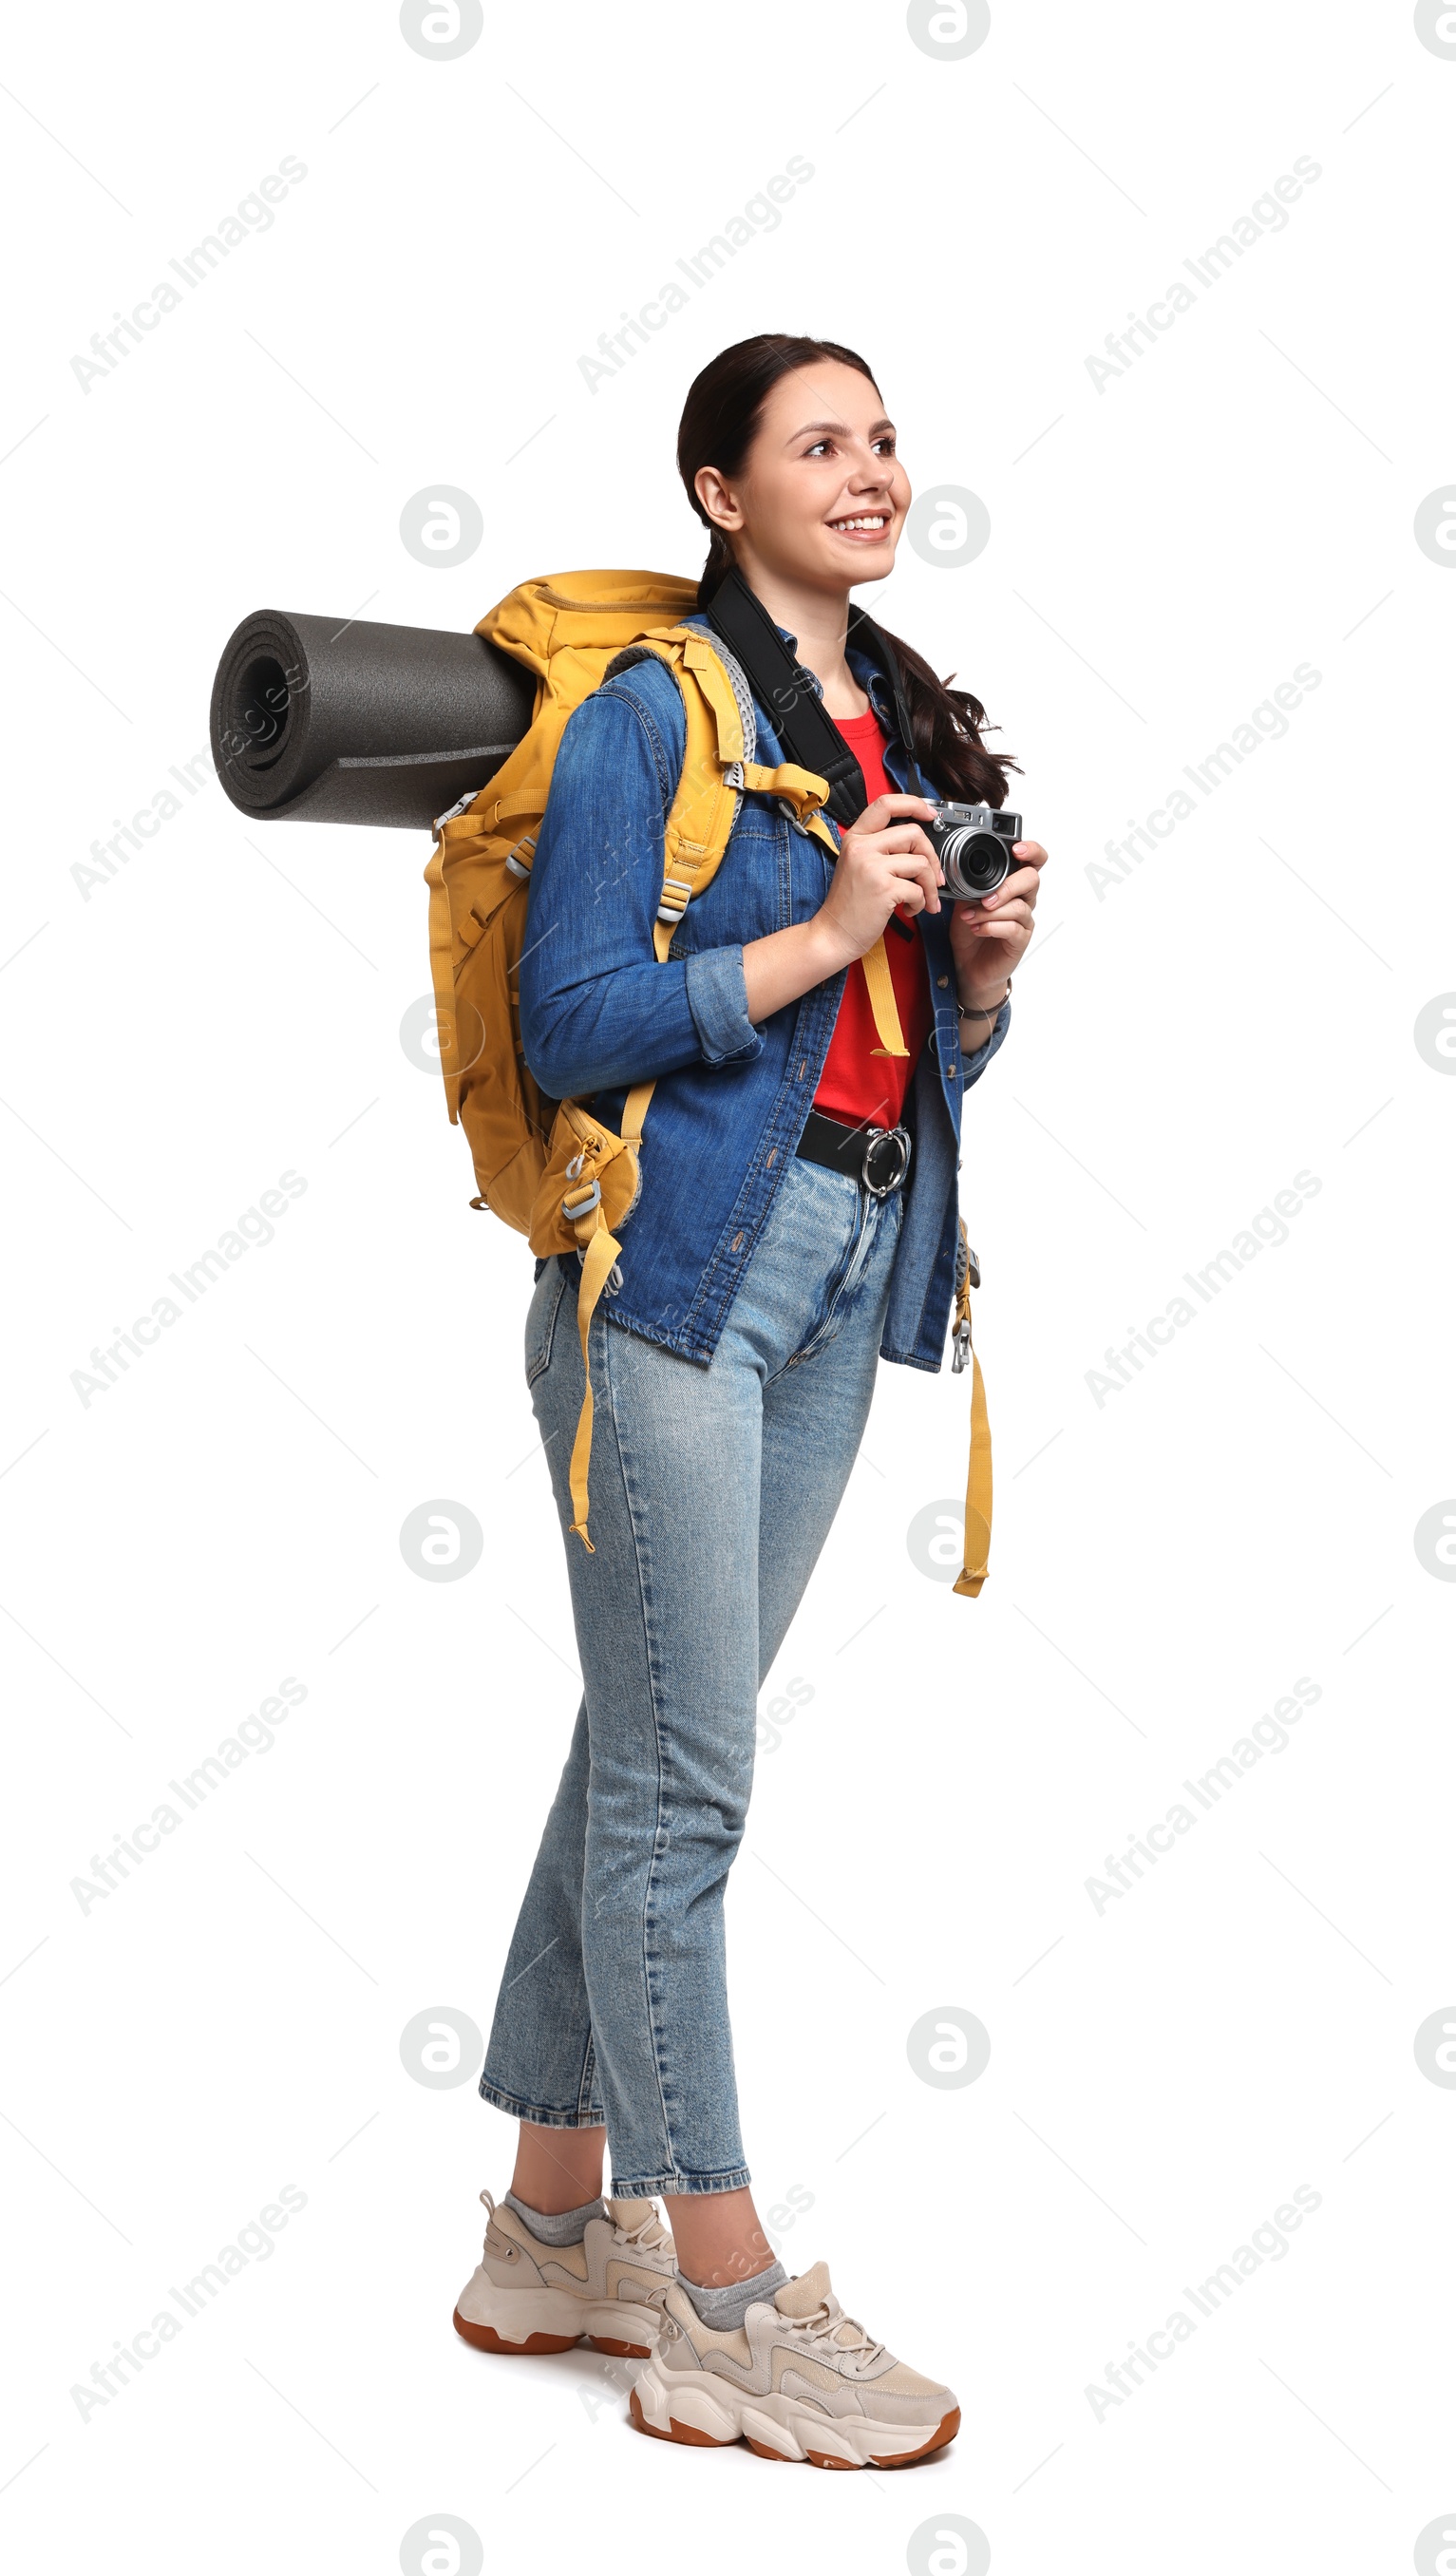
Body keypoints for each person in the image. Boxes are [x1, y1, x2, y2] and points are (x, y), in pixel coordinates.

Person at [451, 333, 1049, 2469]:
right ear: (720, 492)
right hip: (672, 1279)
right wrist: (818, 926)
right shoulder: (649, 714)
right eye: (821, 443)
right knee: (683, 1790)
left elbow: (901, 1066)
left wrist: (962, 980)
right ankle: (717, 2298)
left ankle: (545, 2233)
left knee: (644, 1748)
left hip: (844, 1261)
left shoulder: (889, 711)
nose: (872, 469)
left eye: (884, 437)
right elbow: (583, 1008)